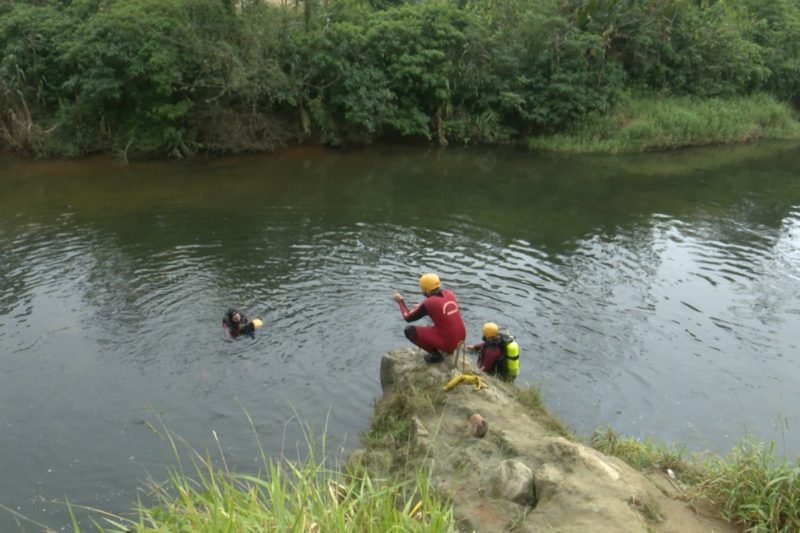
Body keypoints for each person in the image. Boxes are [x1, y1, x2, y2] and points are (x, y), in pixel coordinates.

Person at [392, 272, 467, 363]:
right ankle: (448, 349)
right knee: (438, 323)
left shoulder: (429, 303)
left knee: (409, 331)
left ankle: (436, 356)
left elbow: (408, 317)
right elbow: (440, 307)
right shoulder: (449, 293)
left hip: (449, 342)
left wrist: (400, 301)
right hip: (461, 339)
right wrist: (420, 306)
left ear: (424, 289)